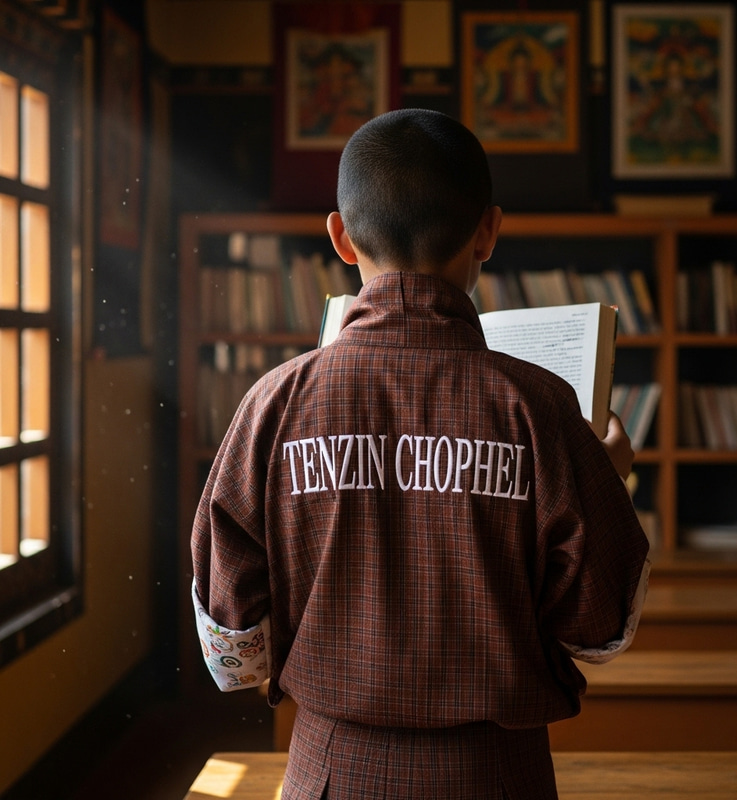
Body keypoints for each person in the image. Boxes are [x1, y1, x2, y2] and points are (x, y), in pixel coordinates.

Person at [191, 108, 651, 800]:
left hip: (329, 771)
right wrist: (607, 481)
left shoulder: (275, 403)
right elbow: (600, 631)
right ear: (488, 231)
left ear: (341, 238)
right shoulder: (542, 407)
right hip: (499, 776)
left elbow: (232, 648)